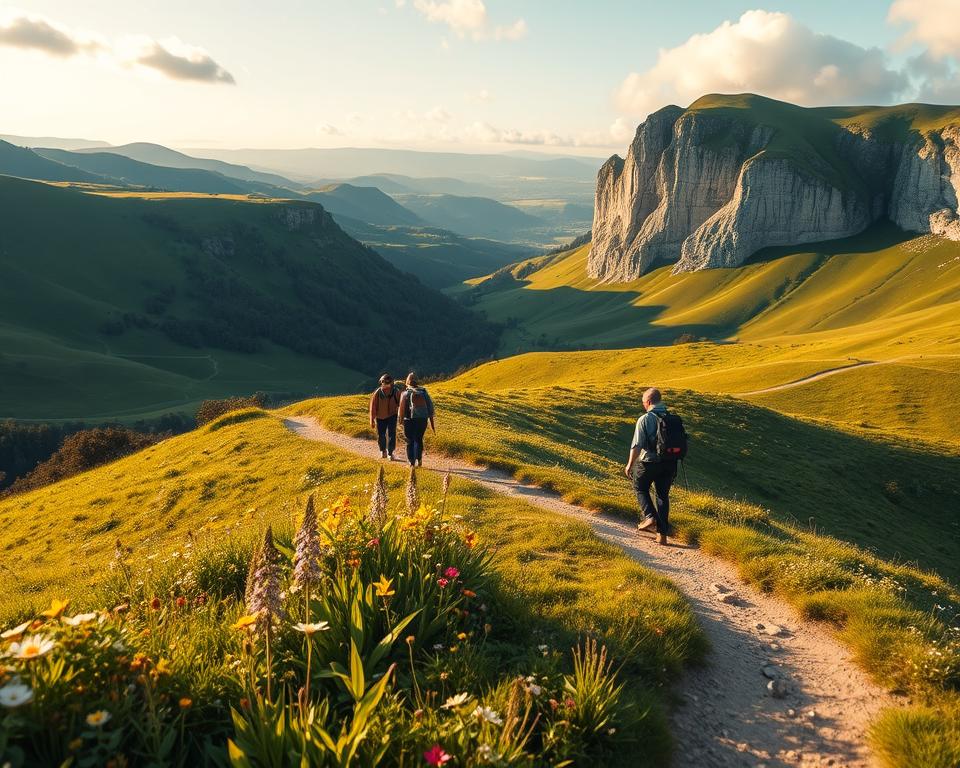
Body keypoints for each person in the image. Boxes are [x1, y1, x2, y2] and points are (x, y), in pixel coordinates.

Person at [623, 387, 684, 545]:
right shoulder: (672, 418)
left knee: (640, 487)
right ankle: (662, 536)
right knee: (662, 496)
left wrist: (629, 464)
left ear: (648, 402)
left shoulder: (645, 418)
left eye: (643, 402)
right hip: (670, 462)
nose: (643, 405)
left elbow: (637, 445)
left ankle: (649, 516)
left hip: (649, 462)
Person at [397, 372, 435, 467]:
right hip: (422, 420)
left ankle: (411, 462)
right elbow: (430, 407)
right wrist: (430, 419)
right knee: (419, 439)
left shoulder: (405, 393)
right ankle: (419, 459)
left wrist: (400, 420)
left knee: (410, 440)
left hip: (408, 420)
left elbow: (401, 409)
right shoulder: (424, 392)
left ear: (407, 382)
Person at [368, 374, 401, 460]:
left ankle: (390, 452)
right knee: (381, 435)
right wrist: (371, 420)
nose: (386, 385)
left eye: (387, 383)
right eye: (384, 383)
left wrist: (401, 416)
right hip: (380, 417)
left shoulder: (396, 392)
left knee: (391, 434)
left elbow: (401, 404)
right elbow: (373, 407)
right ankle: (383, 451)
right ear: (381, 383)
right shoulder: (377, 393)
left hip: (392, 415)